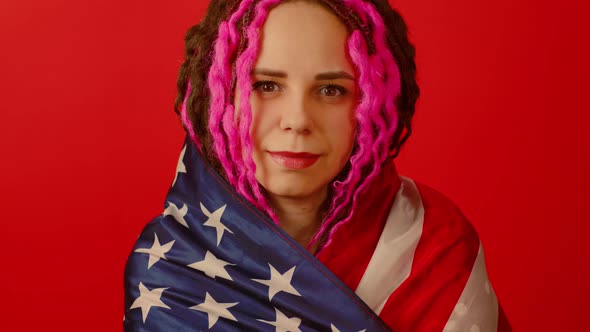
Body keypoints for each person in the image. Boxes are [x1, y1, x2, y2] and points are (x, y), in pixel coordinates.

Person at [124, 0, 511, 331]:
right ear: (219, 94)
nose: (297, 120)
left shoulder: (434, 244)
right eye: (266, 85)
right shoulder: (172, 270)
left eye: (331, 90)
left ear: (375, 104)